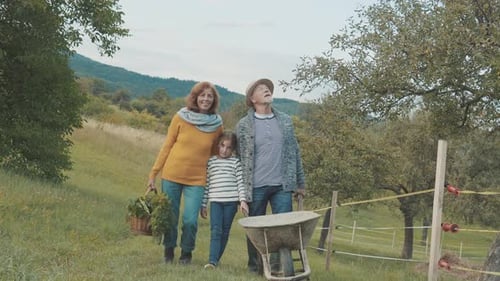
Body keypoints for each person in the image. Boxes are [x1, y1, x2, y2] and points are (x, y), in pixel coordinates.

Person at [147, 81, 224, 265]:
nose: (205, 99)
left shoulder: (217, 124)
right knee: (171, 217)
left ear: (213, 100)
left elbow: (215, 155)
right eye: (202, 95)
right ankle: (169, 251)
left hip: (197, 179)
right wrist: (153, 173)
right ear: (195, 97)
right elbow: (167, 145)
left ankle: (186, 253)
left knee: (190, 220)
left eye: (209, 96)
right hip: (172, 175)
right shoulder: (180, 117)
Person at [235, 78, 306, 274]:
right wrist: (240, 192)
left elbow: (295, 152)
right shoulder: (243, 125)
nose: (266, 90)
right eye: (261, 89)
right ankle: (255, 267)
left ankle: (277, 267)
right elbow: (239, 159)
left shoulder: (285, 120)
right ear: (252, 98)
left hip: (282, 185)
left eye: (268, 88)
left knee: (282, 229)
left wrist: (300, 182)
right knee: (255, 229)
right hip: (255, 185)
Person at [200, 131, 249, 269]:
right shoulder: (211, 162)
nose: (224, 150)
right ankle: (212, 261)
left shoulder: (235, 162)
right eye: (222, 146)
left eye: (228, 148)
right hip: (216, 202)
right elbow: (207, 184)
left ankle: (216, 260)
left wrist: (243, 201)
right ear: (218, 145)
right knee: (216, 230)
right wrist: (203, 204)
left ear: (233, 149)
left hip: (231, 202)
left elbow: (240, 183)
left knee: (225, 231)